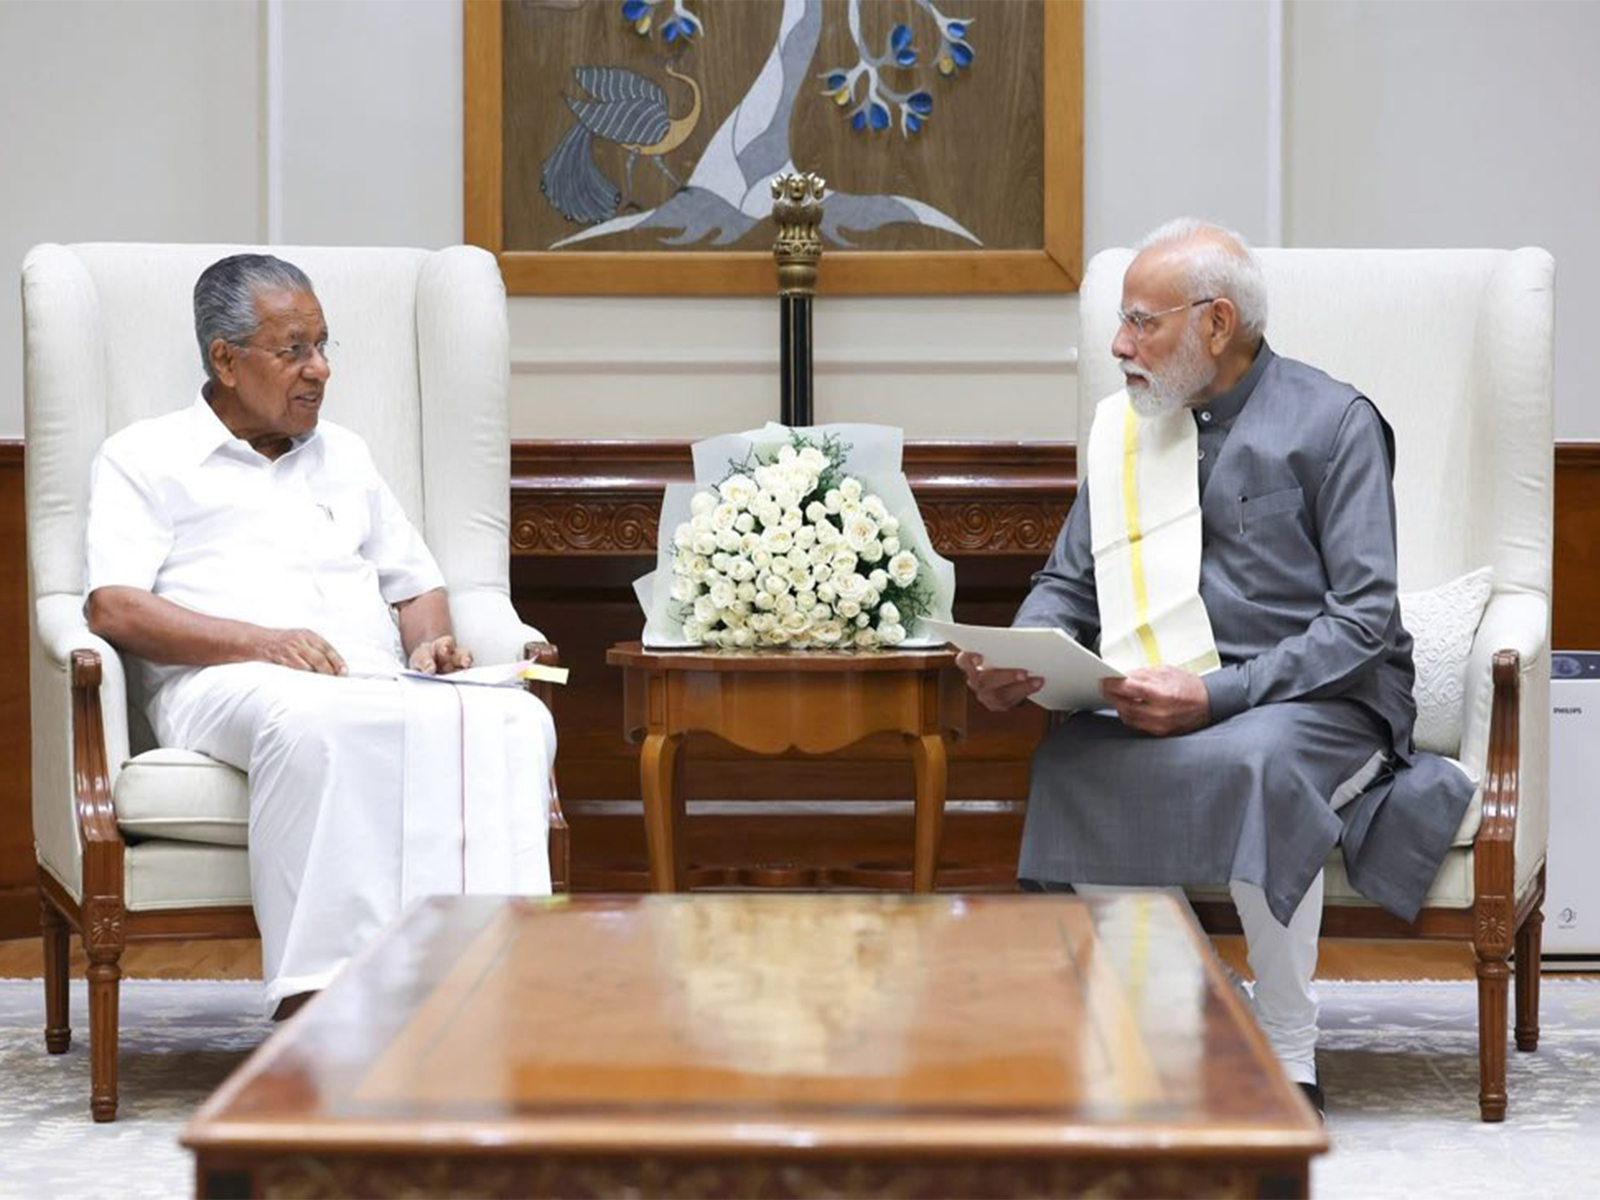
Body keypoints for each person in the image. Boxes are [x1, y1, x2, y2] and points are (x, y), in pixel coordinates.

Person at [958, 218, 1473, 1115]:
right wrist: (1023, 657)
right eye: (1119, 323)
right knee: (1071, 761)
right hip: (1162, 687)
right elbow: (1067, 583)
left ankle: (1288, 1045)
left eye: (1141, 323)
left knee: (1255, 763)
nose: (1119, 346)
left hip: (1322, 695)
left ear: (1216, 323)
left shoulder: (1334, 422)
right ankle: (1176, 1018)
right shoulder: (1127, 432)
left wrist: (1217, 693)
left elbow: (1361, 623)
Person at [83, 254, 556, 1018]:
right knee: (314, 721)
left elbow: (415, 583)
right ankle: (322, 999)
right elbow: (114, 608)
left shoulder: (348, 455)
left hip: (370, 676)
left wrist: (429, 645)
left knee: (516, 716)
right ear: (225, 360)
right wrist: (259, 642)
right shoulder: (145, 457)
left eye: (324, 346)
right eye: (295, 349)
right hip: (223, 681)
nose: (320, 370)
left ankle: (488, 980)